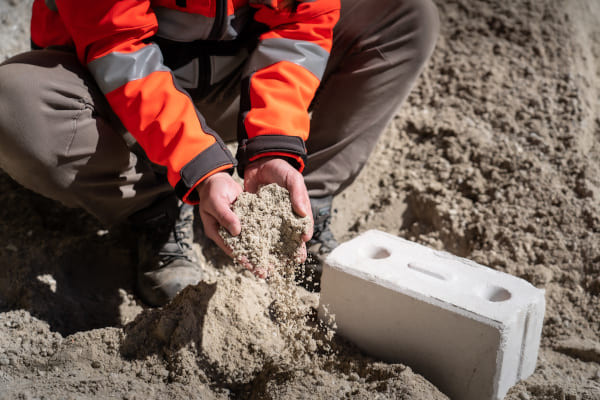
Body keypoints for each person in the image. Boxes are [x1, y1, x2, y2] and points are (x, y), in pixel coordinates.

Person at [0, 0, 438, 306]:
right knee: (12, 103)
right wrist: (201, 169)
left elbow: (299, 27)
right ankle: (152, 209)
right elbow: (119, 48)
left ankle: (301, 210)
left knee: (405, 15)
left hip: (231, 81)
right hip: (110, 93)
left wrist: (274, 146)